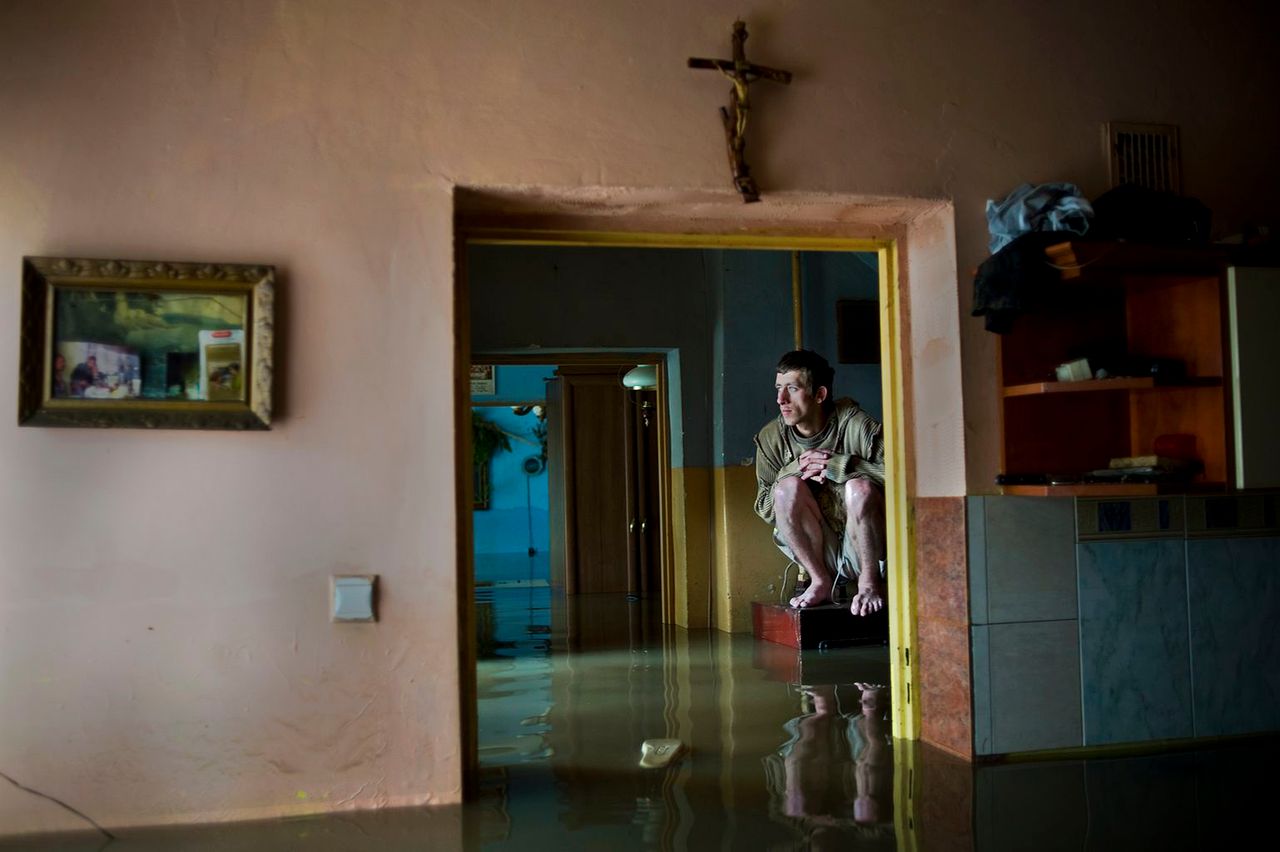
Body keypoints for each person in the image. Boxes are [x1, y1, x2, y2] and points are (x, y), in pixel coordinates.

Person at [753, 350, 887, 616]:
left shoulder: (857, 424)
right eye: (779, 388)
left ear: (820, 395)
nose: (781, 399)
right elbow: (764, 508)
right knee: (785, 490)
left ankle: (870, 583)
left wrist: (843, 466)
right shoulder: (771, 437)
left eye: (792, 388)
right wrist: (794, 469)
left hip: (866, 544)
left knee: (859, 488)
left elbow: (902, 480)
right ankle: (819, 580)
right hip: (816, 549)